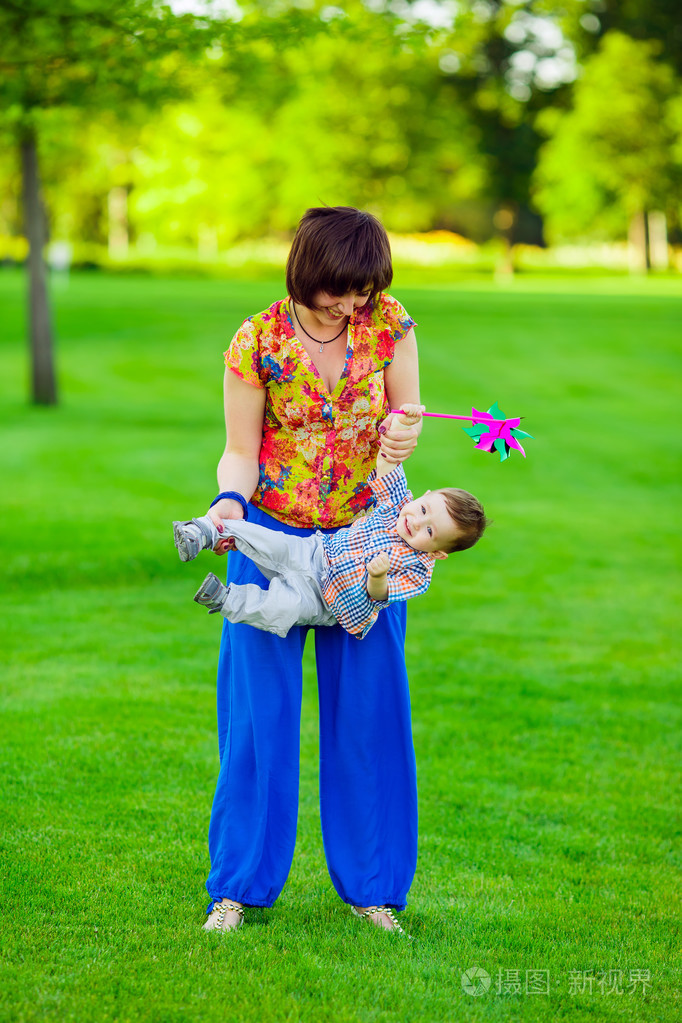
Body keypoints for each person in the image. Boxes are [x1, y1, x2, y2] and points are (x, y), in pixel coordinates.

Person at [198, 205, 438, 935]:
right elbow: (241, 448)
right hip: (271, 539)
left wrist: (403, 432)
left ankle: (375, 892)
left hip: (366, 546)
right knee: (256, 719)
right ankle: (236, 888)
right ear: (308, 272)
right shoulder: (257, 339)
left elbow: (406, 419)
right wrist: (228, 503)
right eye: (340, 288)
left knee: (370, 718)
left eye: (363, 289)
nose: (351, 302)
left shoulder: (390, 324)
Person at [173, 405, 487, 639]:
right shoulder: (398, 503)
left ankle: (225, 599)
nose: (416, 522)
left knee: (281, 608)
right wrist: (403, 422)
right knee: (267, 541)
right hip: (316, 553)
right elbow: (388, 461)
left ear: (438, 553)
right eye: (423, 510)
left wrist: (377, 577)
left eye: (430, 531)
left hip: (324, 602)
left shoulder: (419, 570)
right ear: (424, 496)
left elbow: (380, 595)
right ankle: (203, 532)